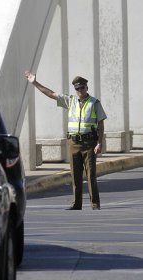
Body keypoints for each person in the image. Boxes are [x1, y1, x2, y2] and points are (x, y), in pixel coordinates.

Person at [25, 71, 107, 210]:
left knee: (91, 174)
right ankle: (76, 203)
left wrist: (99, 143)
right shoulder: (71, 100)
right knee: (75, 175)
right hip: (74, 143)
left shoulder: (94, 103)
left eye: (82, 88)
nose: (80, 91)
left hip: (89, 143)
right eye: (77, 88)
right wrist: (35, 83)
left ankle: (95, 203)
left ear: (87, 88)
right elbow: (51, 94)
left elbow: (100, 124)